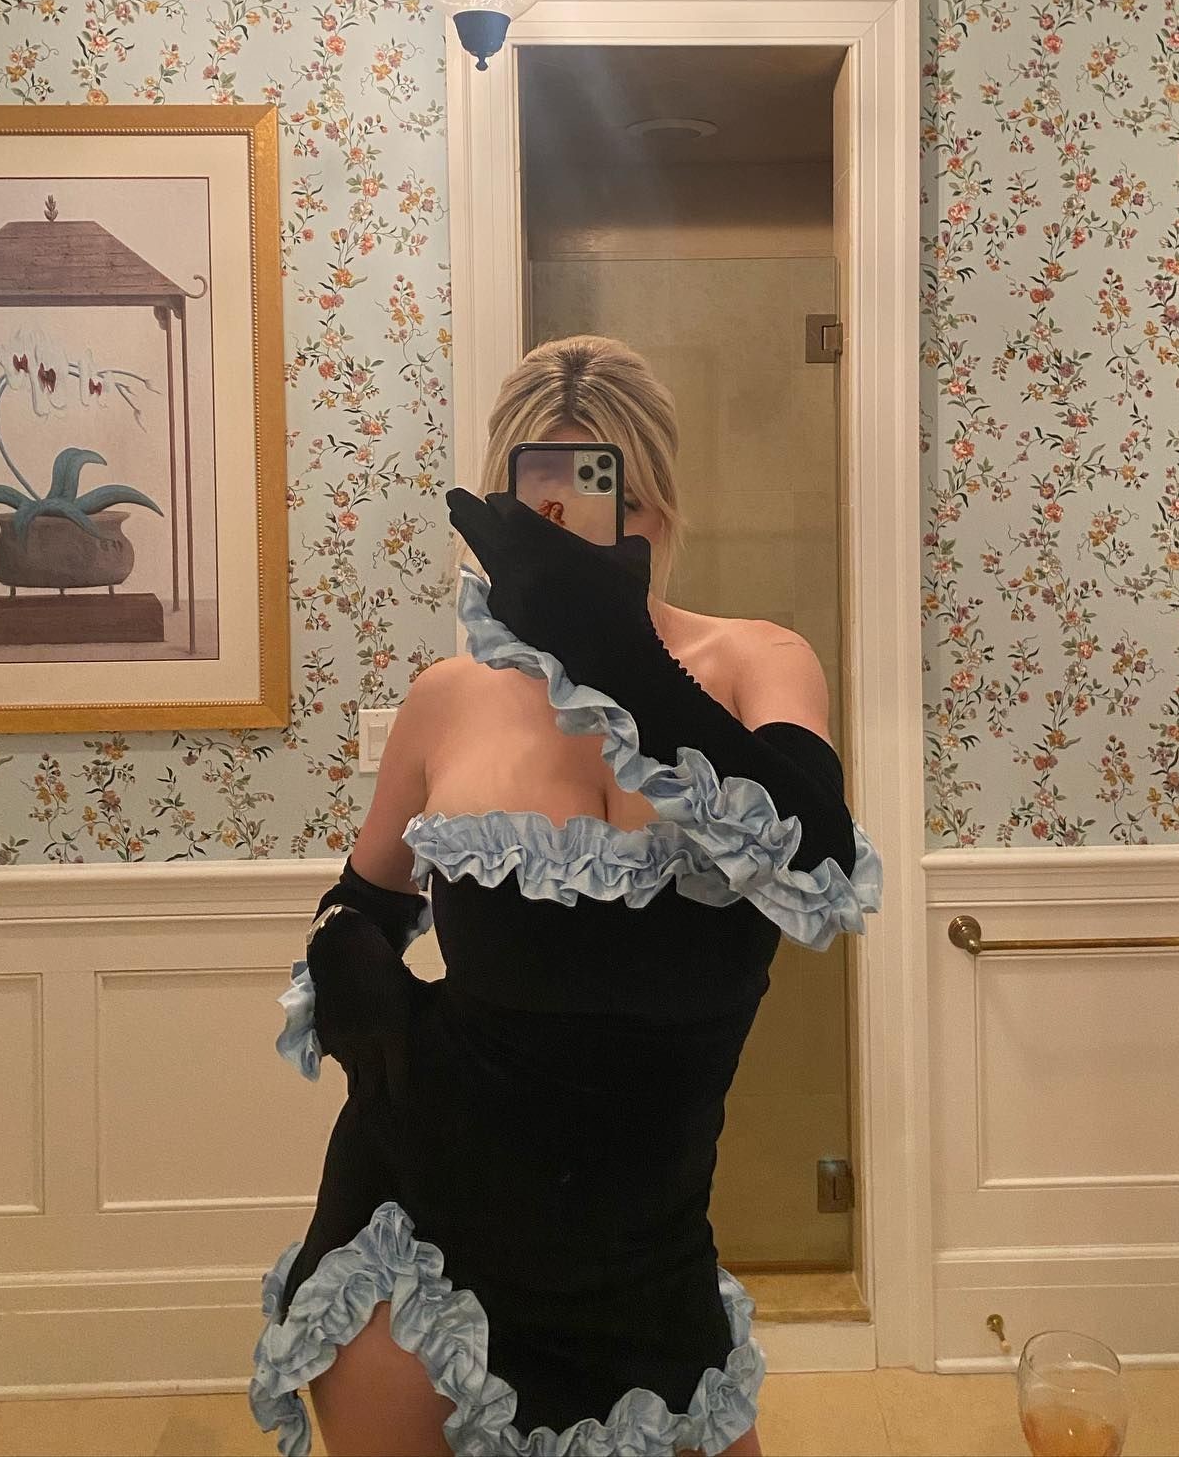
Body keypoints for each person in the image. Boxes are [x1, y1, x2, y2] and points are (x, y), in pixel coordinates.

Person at [249, 333, 883, 1457]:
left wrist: (617, 652)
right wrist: (350, 955)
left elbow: (816, 857)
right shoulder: (448, 699)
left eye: (607, 492)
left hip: (650, 1259)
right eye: (544, 499)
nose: (576, 525)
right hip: (427, 1242)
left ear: (659, 503)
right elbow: (365, 898)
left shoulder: (759, 664)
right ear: (506, 506)